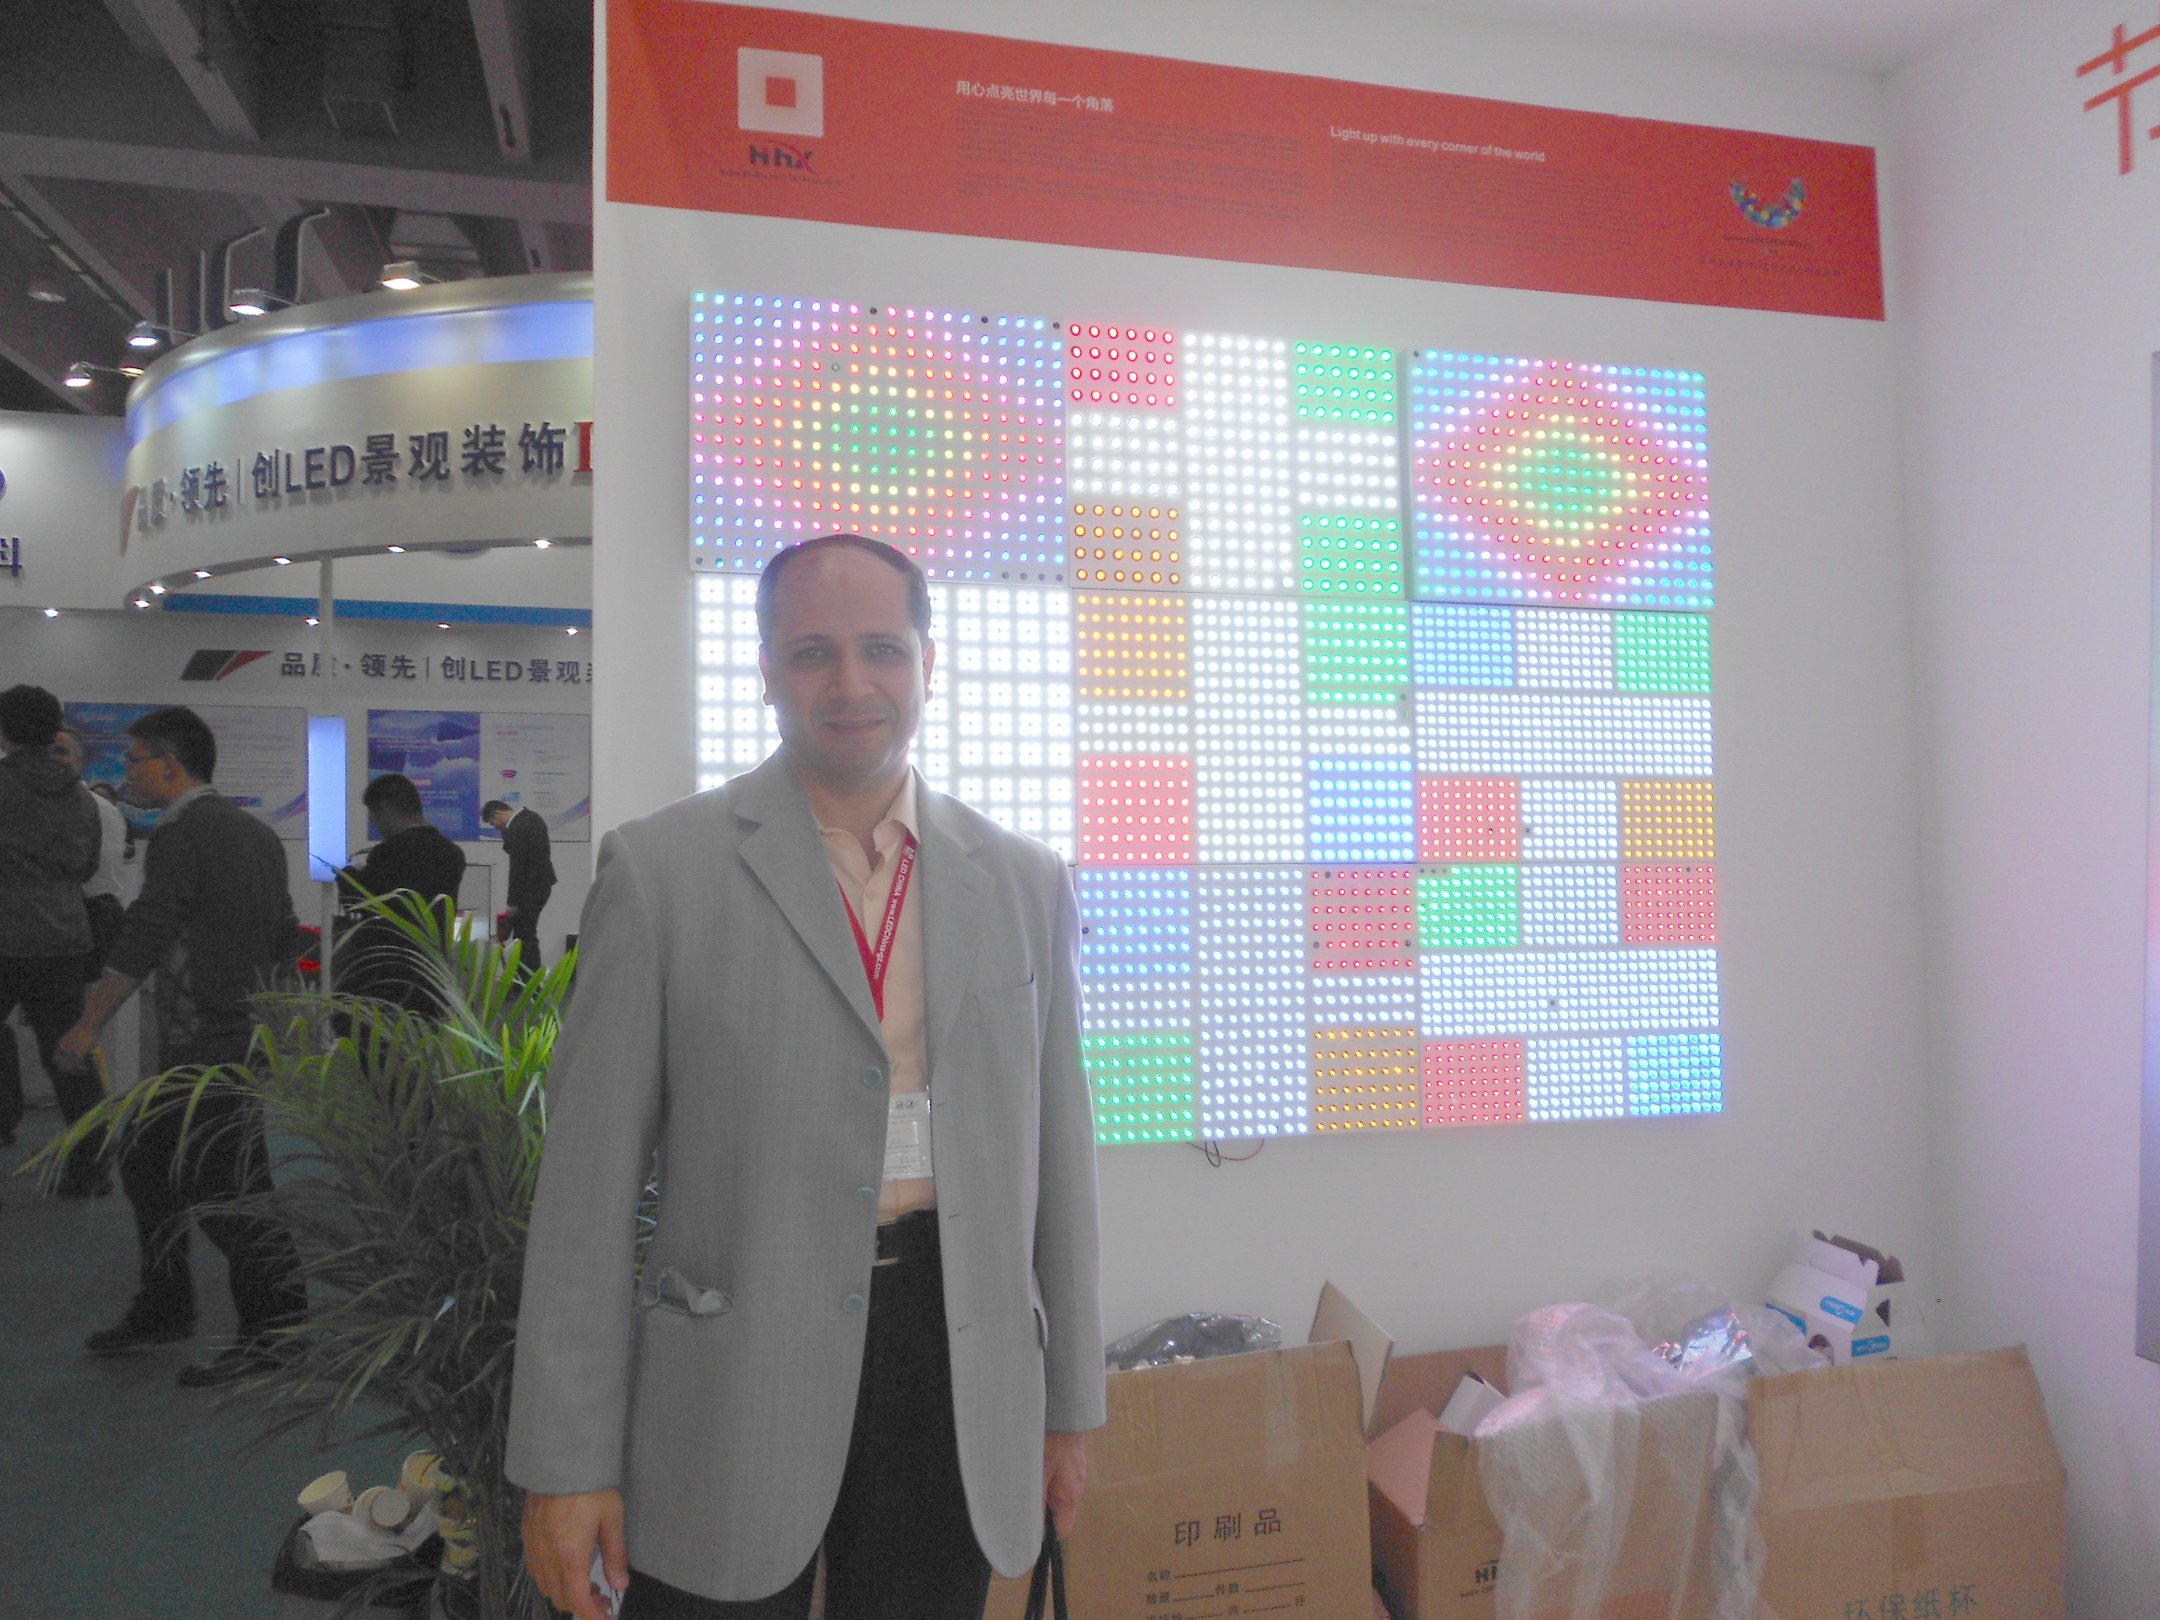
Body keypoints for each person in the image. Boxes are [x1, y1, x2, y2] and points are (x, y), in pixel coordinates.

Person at [509, 535, 1104, 1620]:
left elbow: (1061, 1169)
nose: (852, 684)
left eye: (883, 649)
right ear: (766, 671)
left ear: (929, 663)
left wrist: (1068, 1409)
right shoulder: (663, 872)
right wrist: (566, 1462)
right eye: (813, 652)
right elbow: (586, 1195)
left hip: (955, 1358)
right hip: (737, 1363)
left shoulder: (1024, 882)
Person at [53, 705, 308, 1388]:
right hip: (237, 1035)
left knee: (228, 1188)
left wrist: (87, 1024)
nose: (126, 771)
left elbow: (147, 932)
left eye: (134, 759)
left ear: (170, 766)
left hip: (206, 1042)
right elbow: (285, 934)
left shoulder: (183, 834)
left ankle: (278, 1333)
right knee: (148, 1161)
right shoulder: (258, 833)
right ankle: (166, 1307)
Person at [0, 686, 105, 1192]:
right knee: (67, 1052)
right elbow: (86, 867)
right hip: (63, 935)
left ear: (4, 732)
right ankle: (92, 1167)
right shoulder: (80, 795)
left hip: (4, 932)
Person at [337, 773, 468, 1010]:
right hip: (432, 974)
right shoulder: (452, 854)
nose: (377, 827)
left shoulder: (387, 853)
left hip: (386, 976)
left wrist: (347, 875)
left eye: (374, 819)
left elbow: (363, 904)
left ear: (385, 809)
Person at [53, 725, 130, 977]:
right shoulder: (28, 806)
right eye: (48, 752)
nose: (54, 759)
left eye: (61, 751)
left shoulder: (101, 811)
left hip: (89, 923)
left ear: (79, 761)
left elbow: (101, 882)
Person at [481, 796, 555, 970]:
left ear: (497, 814)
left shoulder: (517, 828)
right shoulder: (532, 818)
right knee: (526, 934)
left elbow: (517, 868)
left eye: (493, 823)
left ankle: (527, 977)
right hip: (541, 885)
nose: (495, 827)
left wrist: (512, 901)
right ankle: (526, 976)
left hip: (528, 889)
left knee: (524, 936)